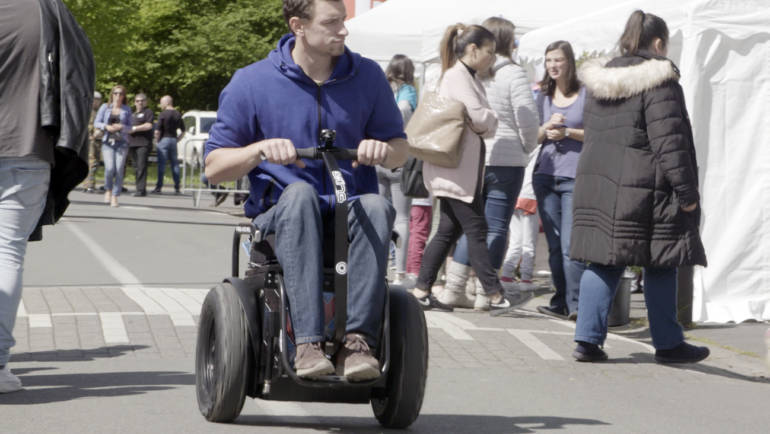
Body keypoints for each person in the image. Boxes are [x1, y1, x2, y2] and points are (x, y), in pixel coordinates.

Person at [204, 0, 407, 381]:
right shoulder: (252, 81)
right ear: (298, 25)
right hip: (282, 215)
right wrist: (258, 150)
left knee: (377, 206)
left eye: (343, 21)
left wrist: (382, 149)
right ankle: (308, 343)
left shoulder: (367, 77)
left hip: (349, 209)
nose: (343, 30)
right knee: (298, 195)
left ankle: (357, 343)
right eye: (332, 23)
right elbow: (214, 168)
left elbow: (400, 150)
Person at [569, 10, 709, 363]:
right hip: (645, 188)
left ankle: (586, 340)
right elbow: (670, 142)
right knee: (661, 261)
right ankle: (667, 342)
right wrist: (688, 194)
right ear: (659, 43)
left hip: (598, 183)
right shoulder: (659, 80)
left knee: (603, 261)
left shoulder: (600, 82)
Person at [0, 0, 94, 393]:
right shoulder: (48, 10)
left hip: (26, 154)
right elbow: (79, 74)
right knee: (7, 253)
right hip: (29, 148)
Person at [412, 23, 519, 313]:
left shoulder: (461, 75)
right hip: (456, 171)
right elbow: (480, 118)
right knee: (477, 229)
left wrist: (486, 121)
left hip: (456, 170)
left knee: (447, 231)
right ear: (473, 49)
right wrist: (492, 119)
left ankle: (422, 289)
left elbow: (478, 120)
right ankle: (494, 294)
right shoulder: (459, 77)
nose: (492, 58)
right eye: (489, 52)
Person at [438, 17, 539, 310]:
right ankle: (484, 292)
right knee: (492, 227)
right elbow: (528, 119)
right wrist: (528, 146)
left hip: (472, 157)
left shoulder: (474, 73)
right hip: (505, 158)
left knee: (469, 226)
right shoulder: (513, 74)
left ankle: (457, 285)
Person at [531, 40, 586, 320]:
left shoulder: (585, 94)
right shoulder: (541, 96)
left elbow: (596, 133)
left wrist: (568, 133)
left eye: (558, 60)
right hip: (545, 175)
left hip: (574, 176)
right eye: (549, 60)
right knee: (553, 246)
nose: (553, 65)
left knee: (569, 246)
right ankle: (560, 300)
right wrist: (547, 128)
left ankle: (577, 306)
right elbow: (531, 137)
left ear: (569, 62)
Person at [377, 54, 417, 285]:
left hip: (377, 158)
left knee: (380, 215)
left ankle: (380, 267)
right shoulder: (409, 92)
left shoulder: (383, 90)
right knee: (401, 217)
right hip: (400, 157)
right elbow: (404, 112)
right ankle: (399, 273)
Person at [500, 147, 540, 293]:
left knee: (515, 241)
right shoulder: (540, 149)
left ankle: (506, 276)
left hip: (514, 194)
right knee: (529, 243)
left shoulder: (519, 149)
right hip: (531, 196)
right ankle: (526, 279)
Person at [94, 85, 132, 207]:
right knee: (110, 168)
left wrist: (122, 127)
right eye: (115, 93)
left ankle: (115, 195)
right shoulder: (105, 107)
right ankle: (108, 190)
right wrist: (106, 127)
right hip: (108, 142)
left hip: (122, 142)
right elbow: (97, 122)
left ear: (123, 96)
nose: (117, 96)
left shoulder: (127, 109)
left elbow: (130, 127)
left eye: (120, 94)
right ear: (112, 94)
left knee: (119, 169)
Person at [153, 95, 184, 194]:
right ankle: (177, 187)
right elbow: (183, 130)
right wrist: (178, 139)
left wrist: (156, 140)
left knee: (161, 165)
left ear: (167, 103)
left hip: (163, 140)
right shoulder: (178, 114)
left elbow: (157, 131)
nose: (161, 104)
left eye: (162, 102)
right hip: (173, 140)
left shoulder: (162, 114)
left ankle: (159, 187)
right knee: (175, 164)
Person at [127, 93, 154, 196]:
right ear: (134, 102)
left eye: (142, 100)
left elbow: (148, 125)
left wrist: (134, 129)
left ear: (146, 102)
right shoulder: (132, 114)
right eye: (137, 101)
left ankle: (141, 190)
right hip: (132, 144)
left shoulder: (148, 112)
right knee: (136, 167)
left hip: (143, 143)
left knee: (141, 166)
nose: (140, 103)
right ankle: (138, 188)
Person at [84, 91, 103, 193]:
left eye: (98, 100)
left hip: (98, 140)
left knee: (95, 163)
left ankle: (90, 184)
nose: (96, 102)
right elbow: (87, 125)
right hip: (90, 140)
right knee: (92, 162)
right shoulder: (88, 111)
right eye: (95, 99)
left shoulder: (99, 111)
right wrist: (91, 133)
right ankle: (89, 185)